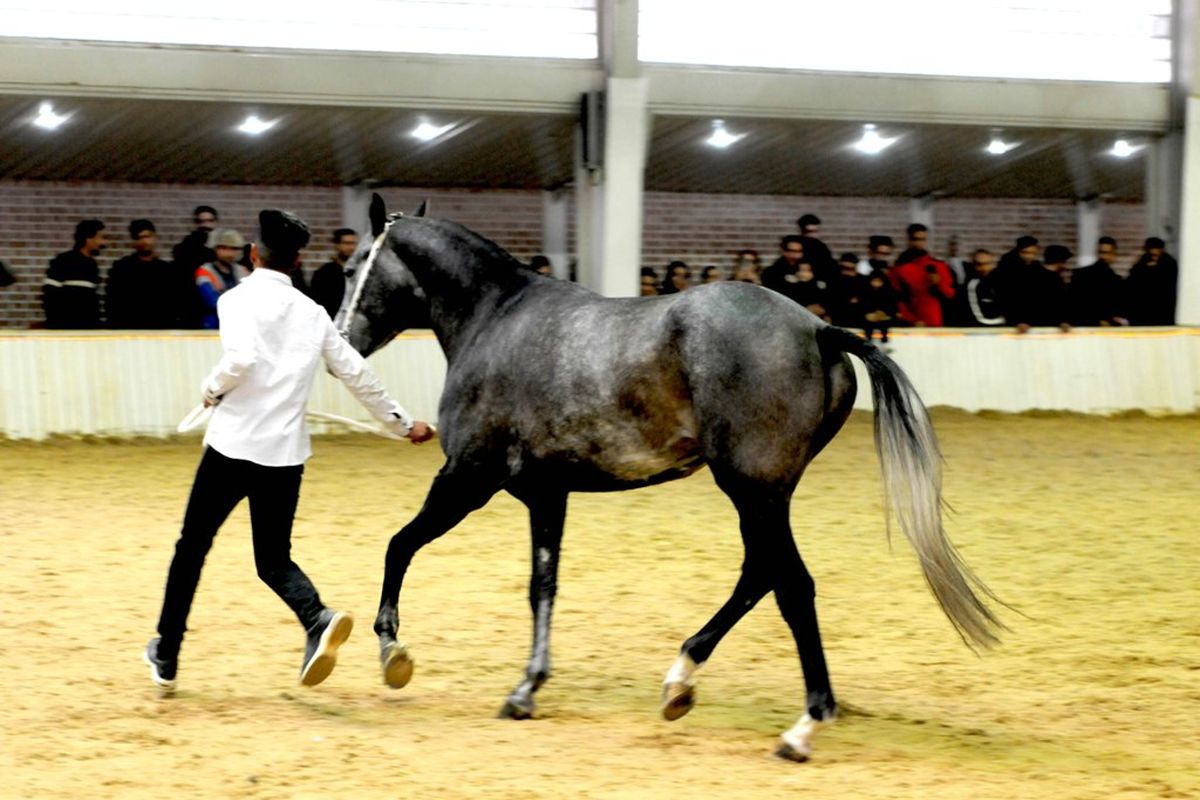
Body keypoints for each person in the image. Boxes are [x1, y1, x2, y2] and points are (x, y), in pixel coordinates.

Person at [143, 209, 434, 696]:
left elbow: (239, 360)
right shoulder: (313, 314)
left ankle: (167, 653)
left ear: (254, 254)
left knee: (191, 549)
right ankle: (316, 617)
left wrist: (211, 390)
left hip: (231, 450)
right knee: (274, 559)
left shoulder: (235, 300)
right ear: (297, 261)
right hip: (284, 457)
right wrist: (404, 425)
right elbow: (356, 373)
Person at [106, 219, 195, 329]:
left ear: (155, 237)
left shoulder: (166, 270)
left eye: (147, 236)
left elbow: (173, 303)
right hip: (129, 329)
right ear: (134, 241)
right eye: (139, 238)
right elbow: (113, 303)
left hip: (159, 329)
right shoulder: (122, 268)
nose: (144, 242)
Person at [43, 219, 106, 328]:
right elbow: (49, 296)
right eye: (100, 238)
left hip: (87, 330)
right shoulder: (63, 261)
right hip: (66, 330)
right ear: (88, 239)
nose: (103, 243)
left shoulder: (92, 265)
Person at [1009, 244, 1073, 333]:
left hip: (1033, 326)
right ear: (1061, 261)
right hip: (1040, 326)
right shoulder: (1055, 279)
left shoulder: (1031, 274)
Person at [889, 246, 955, 327]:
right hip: (939, 323)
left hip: (917, 322)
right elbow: (951, 294)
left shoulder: (900, 269)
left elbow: (898, 300)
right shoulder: (940, 265)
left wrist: (912, 320)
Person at [1070, 237, 1126, 327]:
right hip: (1087, 328)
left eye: (1106, 253)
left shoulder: (1116, 280)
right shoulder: (1081, 275)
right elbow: (1076, 306)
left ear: (1114, 254)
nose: (1103, 257)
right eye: (1101, 252)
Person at [196, 229, 246, 329]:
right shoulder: (204, 271)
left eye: (233, 249)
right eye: (224, 248)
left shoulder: (242, 271)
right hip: (213, 324)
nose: (229, 253)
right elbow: (212, 301)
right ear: (215, 249)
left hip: (239, 325)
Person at [1124, 237, 1178, 325]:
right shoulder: (1141, 263)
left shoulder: (1169, 264)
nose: (1154, 257)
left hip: (1162, 312)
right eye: (1151, 254)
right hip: (1142, 312)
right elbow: (1132, 283)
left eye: (1156, 255)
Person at [310, 228, 360, 319]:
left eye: (354, 243)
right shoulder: (325, 273)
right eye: (347, 243)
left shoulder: (361, 270)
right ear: (337, 245)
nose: (352, 247)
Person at [960, 249, 1005, 327]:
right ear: (973, 265)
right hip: (980, 328)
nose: (983, 267)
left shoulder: (1002, 280)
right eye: (979, 264)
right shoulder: (972, 284)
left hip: (1004, 327)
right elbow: (977, 315)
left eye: (986, 264)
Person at [172, 205, 219, 274]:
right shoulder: (187, 245)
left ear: (216, 222)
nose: (205, 225)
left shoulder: (223, 241)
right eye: (200, 221)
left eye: (210, 221)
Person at [827, 252, 867, 327]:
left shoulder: (862, 280)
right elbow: (830, 298)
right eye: (845, 268)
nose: (847, 272)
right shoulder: (834, 279)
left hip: (859, 317)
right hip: (838, 317)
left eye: (851, 269)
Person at [796, 213, 836, 284]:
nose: (813, 235)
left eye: (815, 231)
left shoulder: (822, 248)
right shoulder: (795, 246)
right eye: (809, 232)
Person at [861, 270, 898, 343]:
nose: (876, 283)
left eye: (879, 281)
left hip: (884, 317)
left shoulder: (889, 292)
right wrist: (868, 315)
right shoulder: (865, 292)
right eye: (874, 281)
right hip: (869, 318)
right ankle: (868, 343)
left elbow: (892, 307)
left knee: (885, 325)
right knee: (867, 326)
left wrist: (881, 314)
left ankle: (885, 343)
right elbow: (862, 306)